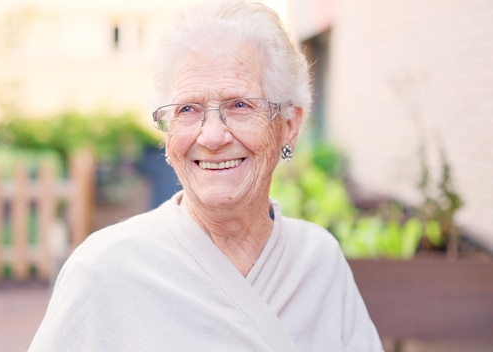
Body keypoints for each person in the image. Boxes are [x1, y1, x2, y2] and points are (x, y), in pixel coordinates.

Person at [29, 1, 383, 351]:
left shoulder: (318, 260)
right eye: (187, 109)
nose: (212, 137)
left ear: (289, 126)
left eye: (240, 105)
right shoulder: (104, 269)